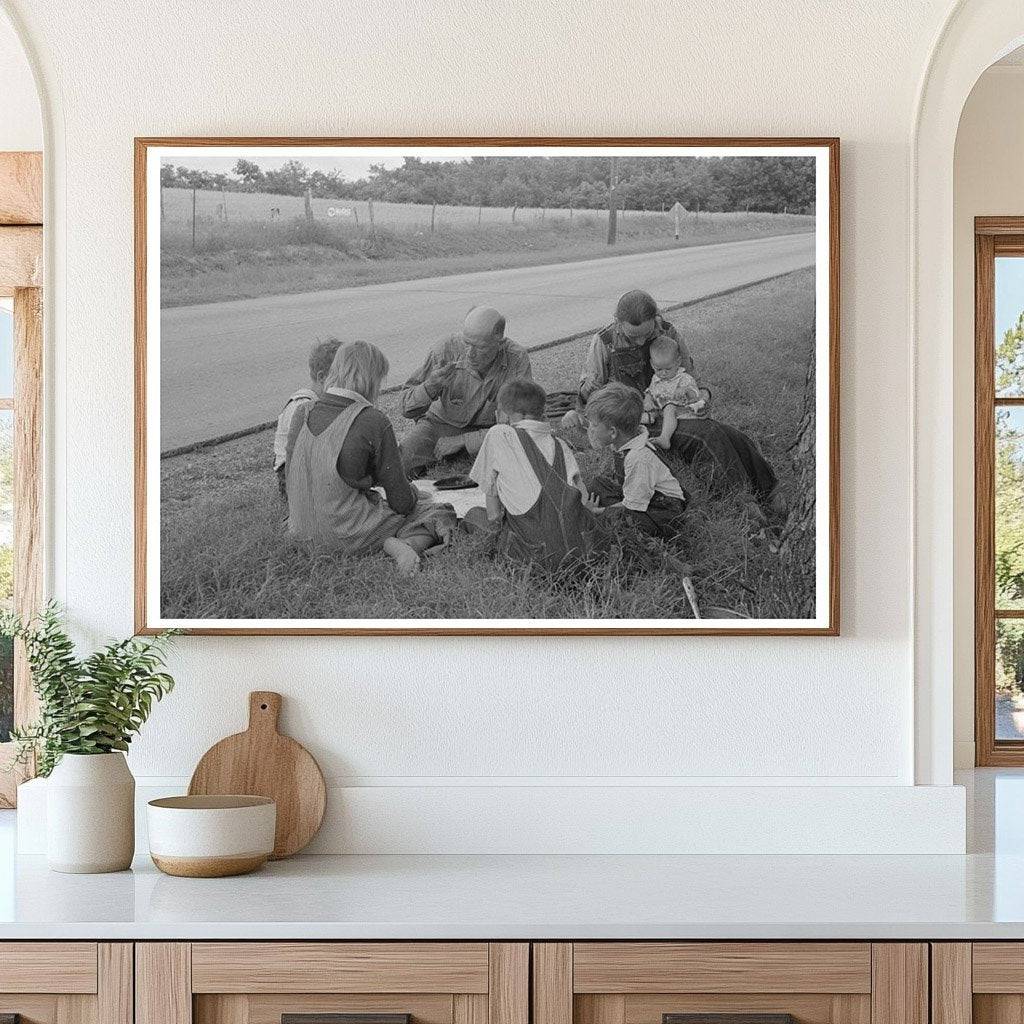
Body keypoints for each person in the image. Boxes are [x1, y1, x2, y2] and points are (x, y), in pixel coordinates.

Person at [573, 289, 780, 506]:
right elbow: (589, 394)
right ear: (617, 322)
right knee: (706, 435)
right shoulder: (604, 342)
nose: (642, 340)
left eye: (648, 332)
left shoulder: (668, 331)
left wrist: (704, 396)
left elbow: (691, 375)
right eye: (634, 336)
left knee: (731, 434)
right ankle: (741, 502)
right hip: (636, 421)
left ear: (656, 318)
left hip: (676, 410)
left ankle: (771, 490)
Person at [285, 341, 456, 575]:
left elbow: (291, 479)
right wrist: (417, 493)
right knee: (439, 510)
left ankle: (386, 539)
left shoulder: (302, 412)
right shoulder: (372, 420)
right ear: (372, 379)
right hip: (347, 533)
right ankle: (402, 545)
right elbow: (402, 502)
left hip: (299, 531)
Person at [463, 379, 601, 571]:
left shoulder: (499, 434)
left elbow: (493, 512)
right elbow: (583, 500)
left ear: (503, 414)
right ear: (542, 412)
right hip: (582, 554)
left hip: (533, 557)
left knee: (473, 516)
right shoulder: (560, 445)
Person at [399, 305, 533, 473]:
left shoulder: (516, 359)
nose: (470, 353)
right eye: (467, 343)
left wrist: (464, 440)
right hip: (439, 426)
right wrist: (430, 386)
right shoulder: (445, 349)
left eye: (480, 347)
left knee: (518, 465)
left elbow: (520, 425)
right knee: (399, 463)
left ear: (499, 341)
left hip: (489, 433)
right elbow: (405, 408)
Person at [582, 382, 689, 542]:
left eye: (594, 425)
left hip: (663, 512)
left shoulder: (638, 458)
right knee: (597, 484)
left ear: (612, 432)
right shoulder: (625, 441)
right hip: (647, 496)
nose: (590, 429)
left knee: (616, 522)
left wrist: (598, 511)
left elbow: (631, 507)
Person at [272, 338, 342, 497]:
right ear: (322, 377)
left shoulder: (323, 404)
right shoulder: (302, 406)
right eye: (342, 378)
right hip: (294, 478)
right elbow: (303, 455)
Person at [643, 334, 709, 450]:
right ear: (652, 364)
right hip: (661, 414)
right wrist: (648, 398)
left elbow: (695, 395)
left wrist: (685, 391)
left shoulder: (683, 378)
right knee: (650, 410)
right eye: (659, 369)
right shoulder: (656, 379)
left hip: (682, 413)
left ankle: (664, 438)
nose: (663, 373)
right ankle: (647, 419)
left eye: (668, 369)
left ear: (678, 362)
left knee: (669, 407)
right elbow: (651, 391)